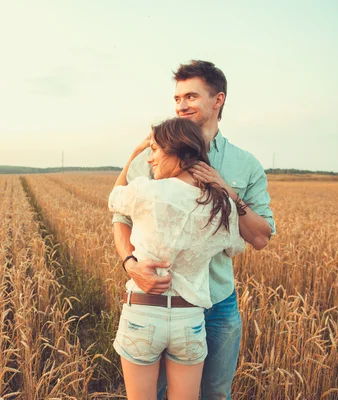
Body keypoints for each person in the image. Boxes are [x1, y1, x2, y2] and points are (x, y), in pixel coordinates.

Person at [112, 60, 276, 399]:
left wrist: (228, 192)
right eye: (176, 99)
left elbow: (261, 236)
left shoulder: (245, 164)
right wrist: (130, 264)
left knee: (215, 393)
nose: (181, 105)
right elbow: (120, 219)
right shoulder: (153, 155)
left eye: (190, 96)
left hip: (216, 304)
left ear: (218, 100)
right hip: (156, 297)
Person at [109, 117, 246, 399]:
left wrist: (132, 153)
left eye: (156, 150)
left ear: (179, 153)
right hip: (190, 320)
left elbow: (114, 199)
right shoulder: (222, 206)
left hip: (143, 313)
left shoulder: (147, 191)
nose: (150, 159)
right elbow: (234, 248)